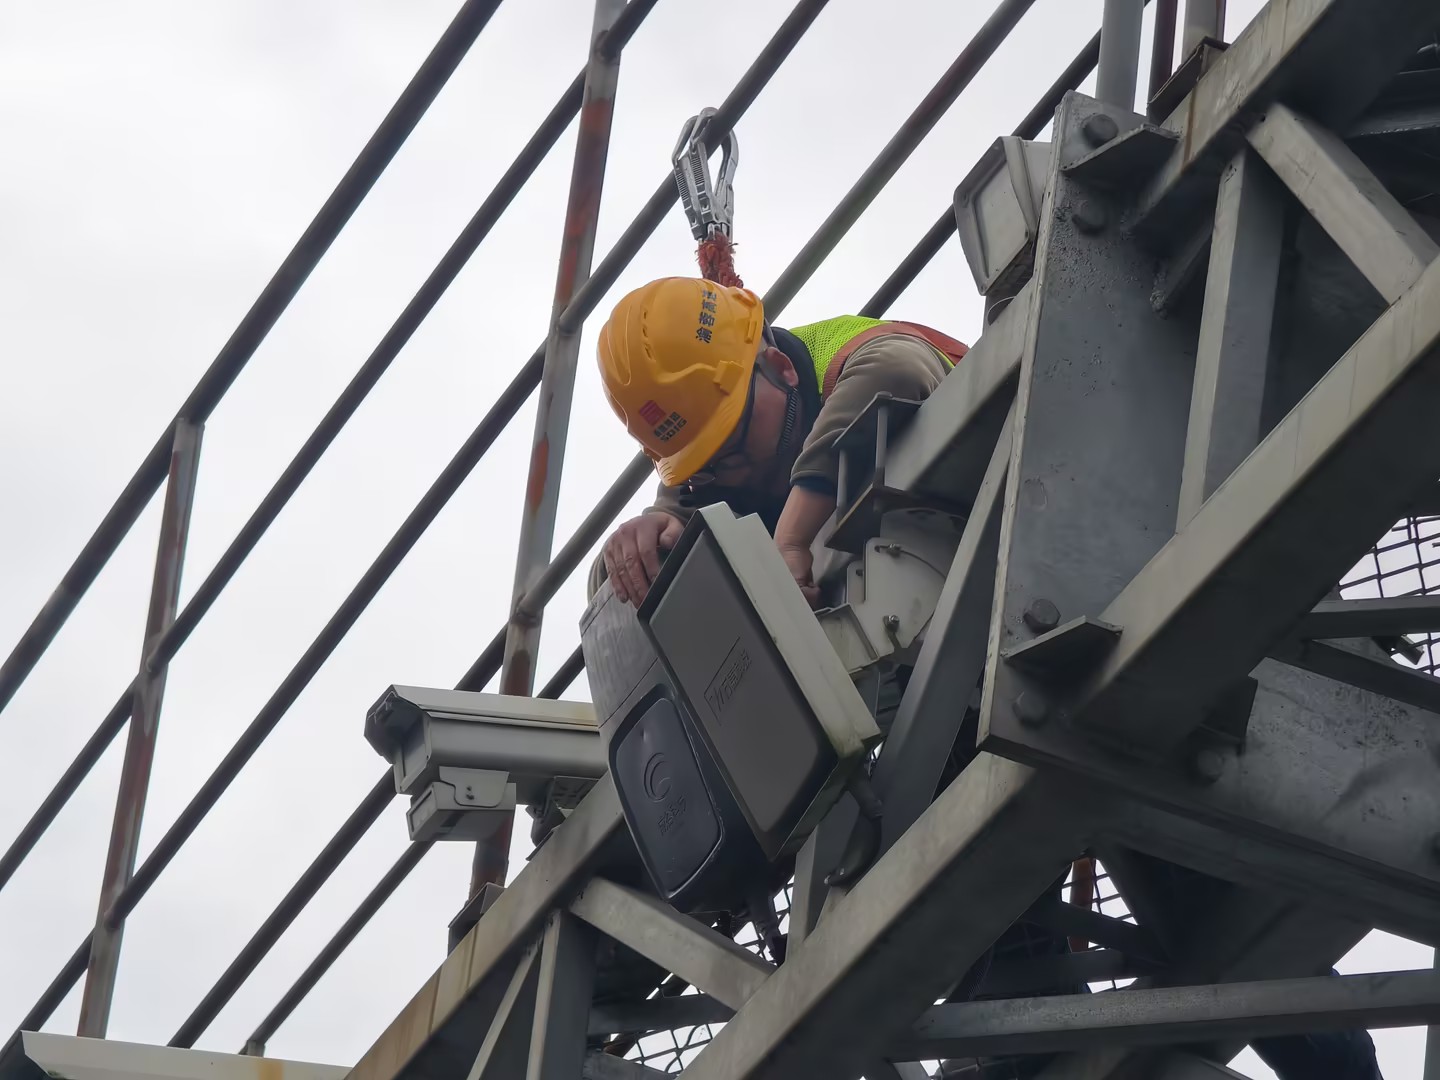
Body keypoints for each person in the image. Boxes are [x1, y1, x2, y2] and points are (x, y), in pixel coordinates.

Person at [588, 275, 969, 605]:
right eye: (704, 466)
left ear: (780, 367)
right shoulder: (710, 472)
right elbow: (678, 510)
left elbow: (899, 369)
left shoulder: (841, 354)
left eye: (733, 440)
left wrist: (791, 539)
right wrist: (636, 543)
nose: (732, 475)